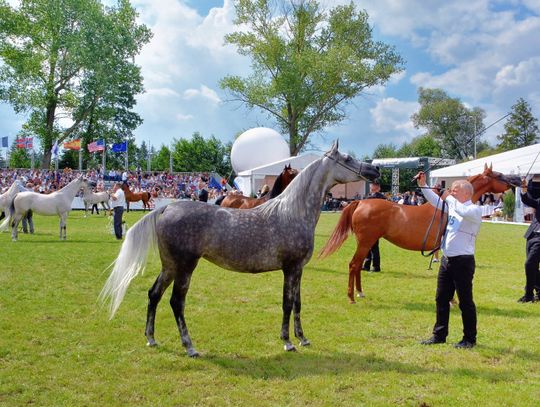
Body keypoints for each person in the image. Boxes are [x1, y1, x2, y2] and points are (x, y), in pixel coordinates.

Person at [416, 172, 482, 349]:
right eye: (451, 191)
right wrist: (424, 185)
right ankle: (439, 335)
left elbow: (460, 208)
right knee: (441, 298)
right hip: (447, 260)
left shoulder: (474, 210)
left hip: (463, 261)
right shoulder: (452, 205)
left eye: (455, 190)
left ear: (466, 193)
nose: (451, 193)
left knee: (465, 301)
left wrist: (448, 197)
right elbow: (435, 201)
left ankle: (469, 338)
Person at [518, 177, 540, 302]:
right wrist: (524, 188)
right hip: (532, 236)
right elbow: (528, 200)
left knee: (530, 264)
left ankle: (528, 295)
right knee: (533, 266)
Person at [362, 179, 386, 272]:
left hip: (374, 224)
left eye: (372, 184)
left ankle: (376, 266)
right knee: (369, 245)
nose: (370, 186)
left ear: (376, 187)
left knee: (373, 246)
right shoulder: (374, 196)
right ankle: (367, 265)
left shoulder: (375, 197)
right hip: (371, 223)